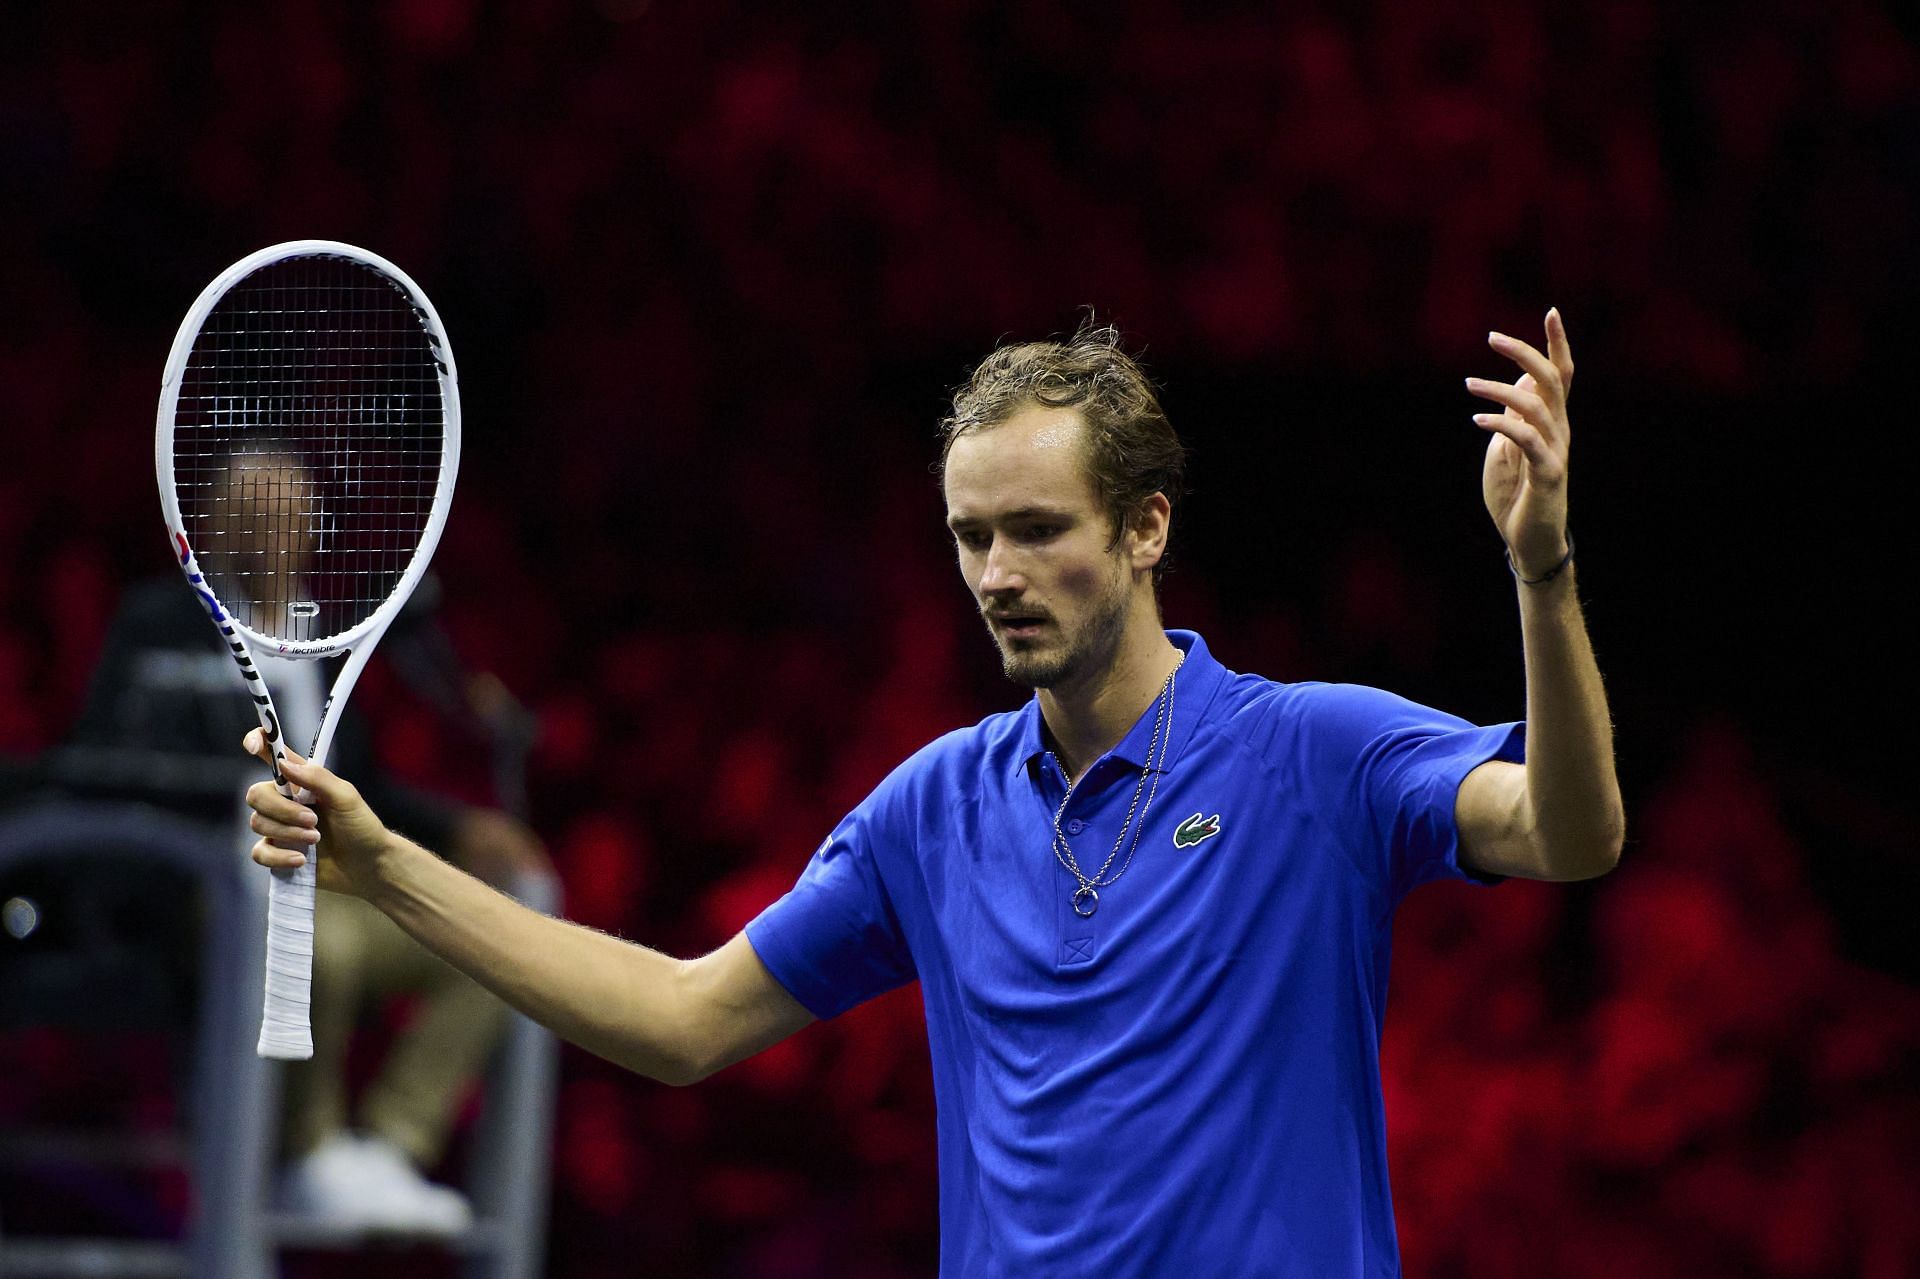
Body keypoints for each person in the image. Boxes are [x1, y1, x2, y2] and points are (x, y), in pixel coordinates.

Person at [241, 311, 1622, 1275]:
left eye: (1036, 530)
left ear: (1146, 529)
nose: (997, 572)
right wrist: (387, 864)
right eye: (972, 535)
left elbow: (1571, 831)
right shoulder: (932, 809)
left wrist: (1541, 573)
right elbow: (681, 1020)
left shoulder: (1316, 754)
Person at [80, 451, 549, 1237]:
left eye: (295, 509)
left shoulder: (324, 637)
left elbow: (357, 783)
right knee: (317, 941)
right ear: (218, 522)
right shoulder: (161, 622)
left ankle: (391, 1147)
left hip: (319, 880)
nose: (279, 525)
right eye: (258, 506)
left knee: (500, 937)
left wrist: (459, 826)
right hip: (207, 890)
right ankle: (310, 1154)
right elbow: (103, 759)